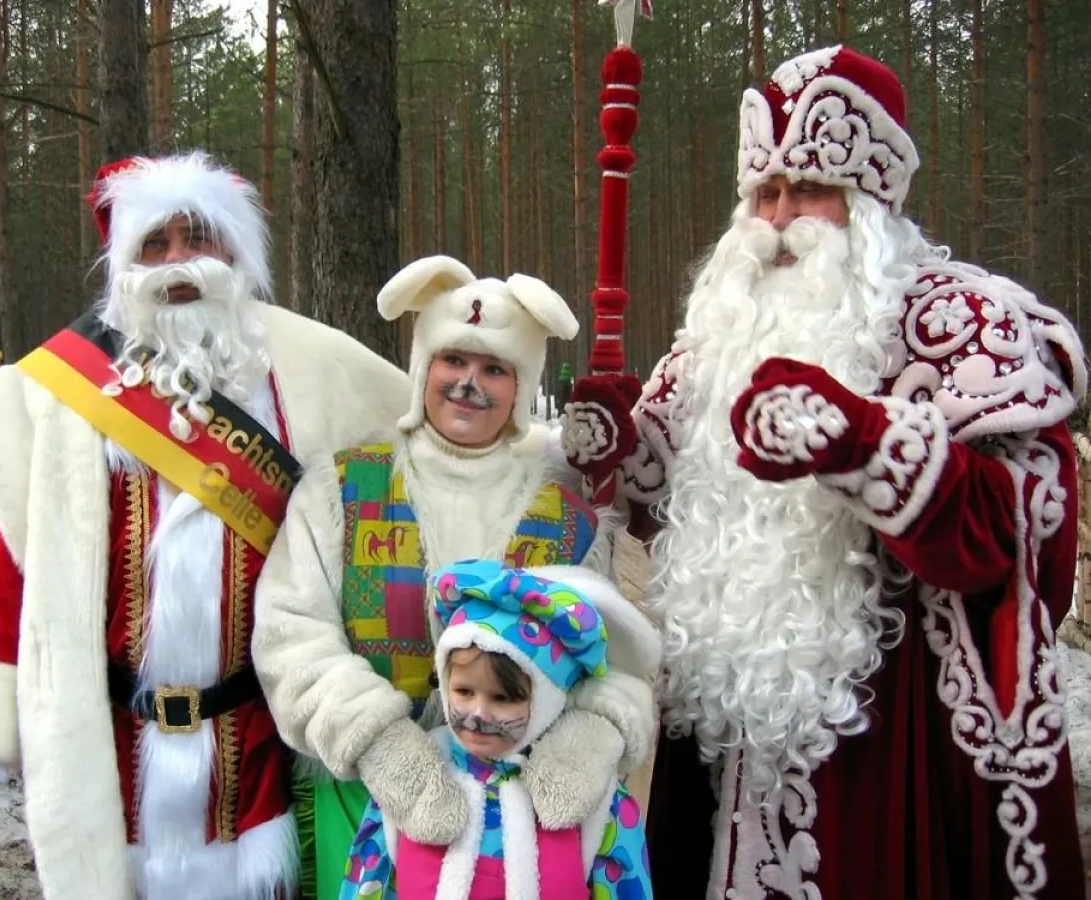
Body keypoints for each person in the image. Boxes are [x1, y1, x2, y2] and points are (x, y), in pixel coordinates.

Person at [561, 46, 1086, 899]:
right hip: (724, 737)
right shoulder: (716, 342)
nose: (777, 218)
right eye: (762, 193)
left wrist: (865, 444)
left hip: (884, 741)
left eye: (807, 190)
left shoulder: (964, 325)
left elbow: (1021, 534)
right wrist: (616, 445)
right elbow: (659, 493)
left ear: (870, 204)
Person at [0, 151, 411, 899]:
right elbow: (13, 557)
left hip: (260, 748)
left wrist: (561, 458)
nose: (178, 262)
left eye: (199, 238)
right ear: (126, 264)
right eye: (156, 244)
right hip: (115, 743)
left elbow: (433, 441)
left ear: (236, 254)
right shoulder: (71, 392)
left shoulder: (311, 368)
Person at [253, 255, 657, 900]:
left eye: (495, 368)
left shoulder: (565, 512)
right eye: (453, 361)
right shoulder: (343, 488)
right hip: (368, 798)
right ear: (423, 369)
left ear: (519, 387)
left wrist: (587, 740)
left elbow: (608, 663)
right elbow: (291, 636)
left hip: (520, 821)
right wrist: (384, 748)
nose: (470, 383)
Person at [339, 559, 659, 900]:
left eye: (503, 698)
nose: (479, 714)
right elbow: (369, 883)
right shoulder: (412, 782)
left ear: (547, 700)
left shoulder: (597, 799)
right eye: (464, 692)